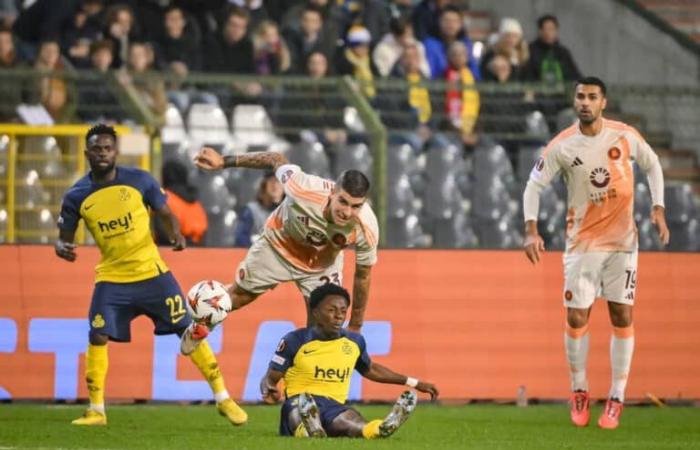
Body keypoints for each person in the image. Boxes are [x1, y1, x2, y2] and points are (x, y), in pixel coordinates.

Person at [54, 124, 247, 426]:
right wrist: (62, 246)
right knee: (98, 334)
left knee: (188, 330)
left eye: (107, 147)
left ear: (115, 151)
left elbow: (165, 211)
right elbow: (65, 233)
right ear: (86, 153)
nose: (102, 152)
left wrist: (176, 235)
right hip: (112, 277)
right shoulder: (77, 194)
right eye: (96, 148)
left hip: (152, 273)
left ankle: (224, 398)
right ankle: (96, 409)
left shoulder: (139, 180)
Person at [522, 77, 670, 430]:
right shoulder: (562, 146)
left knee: (622, 315)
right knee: (576, 318)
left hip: (622, 245)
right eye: (580, 97)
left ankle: (617, 396)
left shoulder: (624, 135)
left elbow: (653, 165)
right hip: (581, 245)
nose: (585, 102)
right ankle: (579, 390)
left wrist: (659, 206)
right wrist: (531, 229)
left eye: (591, 97)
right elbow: (533, 185)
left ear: (603, 102)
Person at [181, 148, 379, 355]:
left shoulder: (367, 226)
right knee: (239, 297)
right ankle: (202, 325)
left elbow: (363, 275)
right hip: (278, 246)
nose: (347, 212)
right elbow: (275, 158)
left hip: (321, 266)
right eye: (343, 202)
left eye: (356, 206)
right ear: (332, 193)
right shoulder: (302, 188)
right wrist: (224, 161)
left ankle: (303, 380)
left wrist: (356, 326)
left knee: (323, 327)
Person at [260, 283, 439, 438]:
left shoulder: (354, 342)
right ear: (315, 313)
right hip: (301, 399)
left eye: (343, 311)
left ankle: (379, 429)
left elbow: (370, 369)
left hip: (334, 406)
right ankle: (306, 430)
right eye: (331, 310)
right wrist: (268, 388)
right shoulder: (295, 340)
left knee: (351, 421)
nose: (339, 316)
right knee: (296, 412)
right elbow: (270, 378)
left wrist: (414, 383)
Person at [523, 14, 581, 83]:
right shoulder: (529, 50)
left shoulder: (563, 52)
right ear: (539, 31)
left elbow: (576, 76)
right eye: (544, 29)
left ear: (556, 31)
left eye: (551, 29)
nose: (548, 33)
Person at [234, 172, 284, 247]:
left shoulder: (290, 212)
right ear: (264, 186)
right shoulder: (251, 211)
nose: (275, 185)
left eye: (278, 182)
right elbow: (241, 238)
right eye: (271, 181)